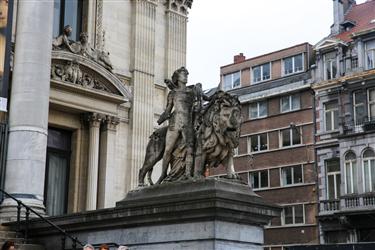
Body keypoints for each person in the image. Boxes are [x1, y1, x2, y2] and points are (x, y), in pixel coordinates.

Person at [156, 67, 196, 184]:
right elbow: (168, 110)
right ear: (177, 78)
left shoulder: (191, 92)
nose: (186, 77)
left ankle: (188, 173)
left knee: (190, 148)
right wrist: (161, 118)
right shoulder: (172, 93)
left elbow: (198, 103)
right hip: (174, 123)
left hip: (187, 123)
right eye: (184, 75)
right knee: (167, 150)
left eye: (187, 75)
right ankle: (163, 174)